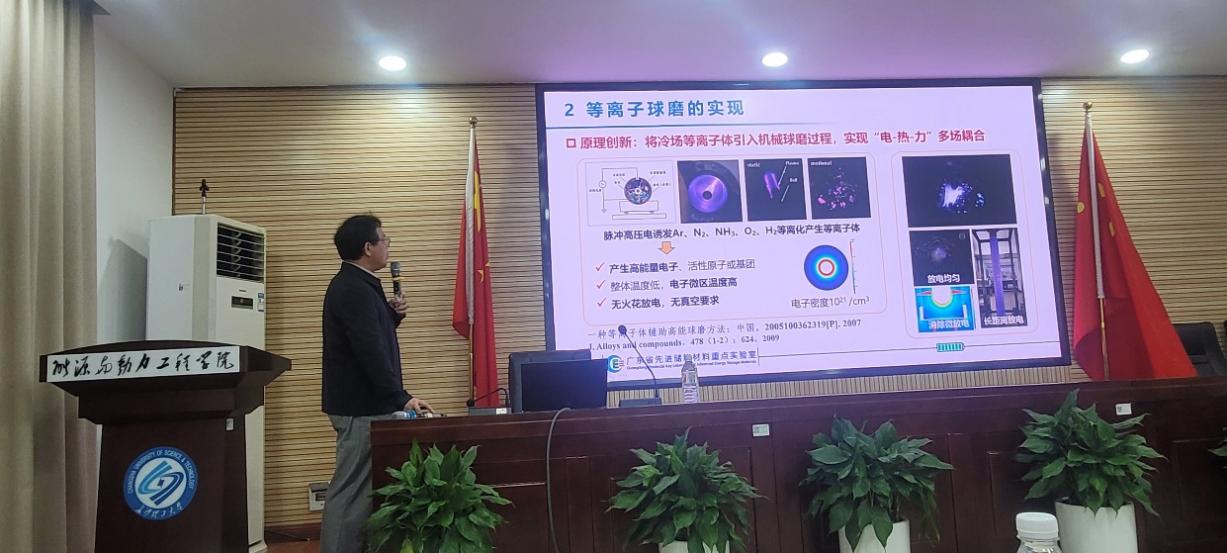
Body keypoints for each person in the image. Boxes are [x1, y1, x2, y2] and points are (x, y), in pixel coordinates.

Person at [320, 214, 434, 553]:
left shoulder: (359, 284)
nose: (388, 247)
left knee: (363, 492)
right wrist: (401, 397)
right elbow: (368, 351)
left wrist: (392, 315)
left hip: (366, 404)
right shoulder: (353, 289)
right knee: (350, 493)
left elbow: (371, 337)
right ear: (368, 247)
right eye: (385, 240)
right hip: (360, 407)